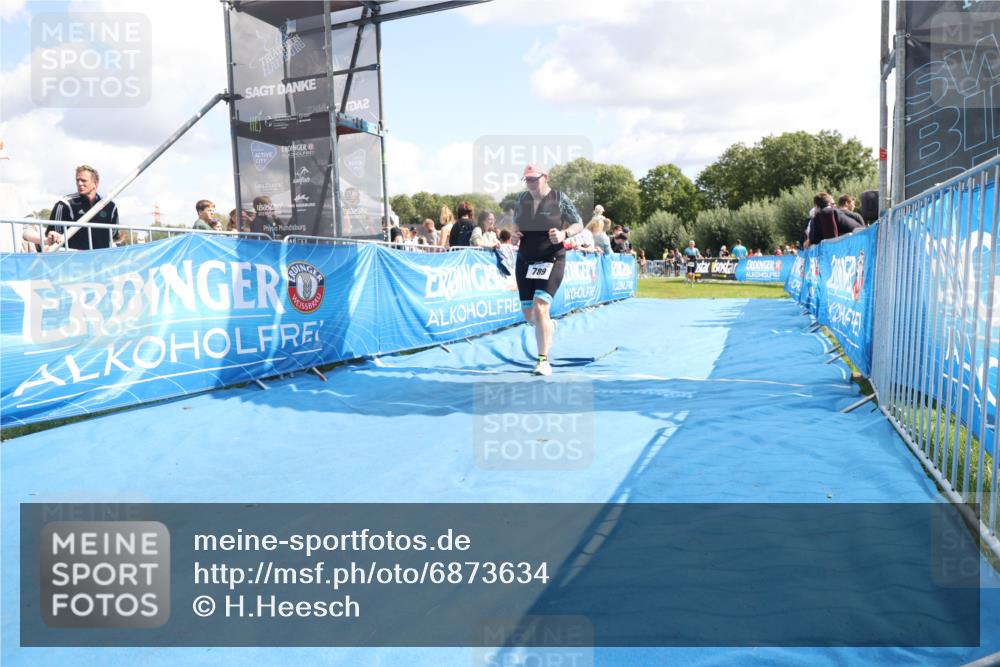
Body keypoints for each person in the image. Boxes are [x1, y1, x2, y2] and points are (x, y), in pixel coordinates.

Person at [512, 164, 583, 376]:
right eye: (527, 179)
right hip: (525, 260)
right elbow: (515, 224)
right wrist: (514, 235)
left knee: (541, 306)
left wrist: (564, 234)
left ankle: (543, 360)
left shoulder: (559, 198)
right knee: (529, 315)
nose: (531, 183)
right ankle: (547, 325)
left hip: (552, 258)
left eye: (534, 179)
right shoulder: (521, 199)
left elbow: (578, 223)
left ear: (546, 177)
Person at [46, 164, 120, 250]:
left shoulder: (110, 207)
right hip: (72, 259)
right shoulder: (64, 204)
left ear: (95, 183)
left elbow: (113, 234)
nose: (79, 183)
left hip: (101, 259)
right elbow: (53, 235)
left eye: (84, 180)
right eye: (77, 180)